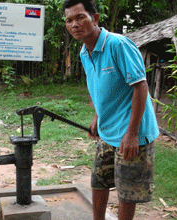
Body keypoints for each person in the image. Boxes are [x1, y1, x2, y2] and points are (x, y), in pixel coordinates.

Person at [63, 0, 159, 219]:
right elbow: (99, 87)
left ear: (95, 18)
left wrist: (132, 134)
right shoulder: (84, 52)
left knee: (127, 191)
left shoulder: (118, 45)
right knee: (99, 181)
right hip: (108, 131)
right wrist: (97, 116)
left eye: (80, 17)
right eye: (69, 20)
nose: (74, 24)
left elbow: (140, 85)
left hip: (132, 132)